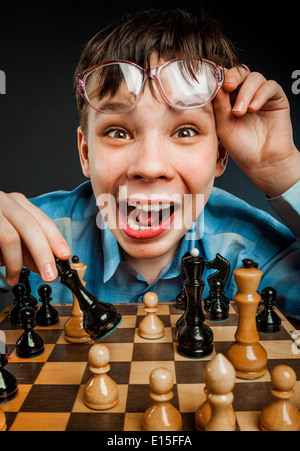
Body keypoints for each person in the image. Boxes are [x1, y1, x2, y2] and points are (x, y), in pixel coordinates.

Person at [0, 9, 299, 320]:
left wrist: (284, 171)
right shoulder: (33, 236)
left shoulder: (247, 246)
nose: (150, 165)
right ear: (86, 153)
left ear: (220, 155)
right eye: (118, 132)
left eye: (185, 131)